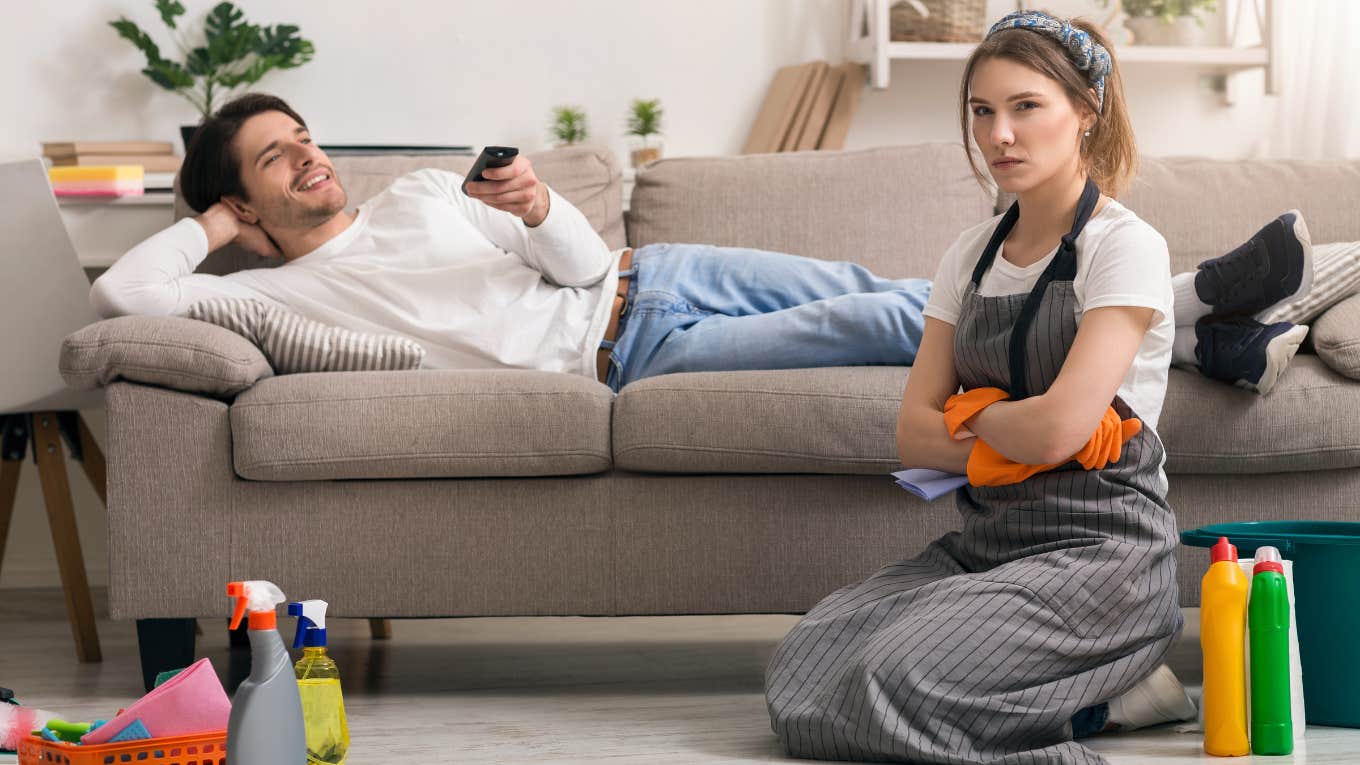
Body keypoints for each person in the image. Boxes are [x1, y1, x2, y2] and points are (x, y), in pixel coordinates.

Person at [762, 11, 1313, 764]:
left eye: (1025, 107)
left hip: (1101, 559)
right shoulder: (969, 256)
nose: (999, 135)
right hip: (986, 547)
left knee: (889, 676)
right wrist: (1019, 423)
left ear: (1085, 114)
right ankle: (1106, 702)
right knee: (804, 667)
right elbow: (912, 434)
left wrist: (972, 410)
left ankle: (1086, 712)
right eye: (983, 112)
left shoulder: (1123, 247)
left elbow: (1048, 431)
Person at [90, 93, 1312, 398]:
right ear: (243, 205)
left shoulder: (416, 192)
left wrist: (537, 210)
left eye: (303, 137)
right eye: (271, 159)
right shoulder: (289, 298)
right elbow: (123, 294)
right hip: (634, 355)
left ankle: (1207, 327)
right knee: (903, 323)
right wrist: (214, 224)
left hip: (644, 276)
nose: (306, 158)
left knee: (887, 285)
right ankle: (1202, 306)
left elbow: (569, 265)